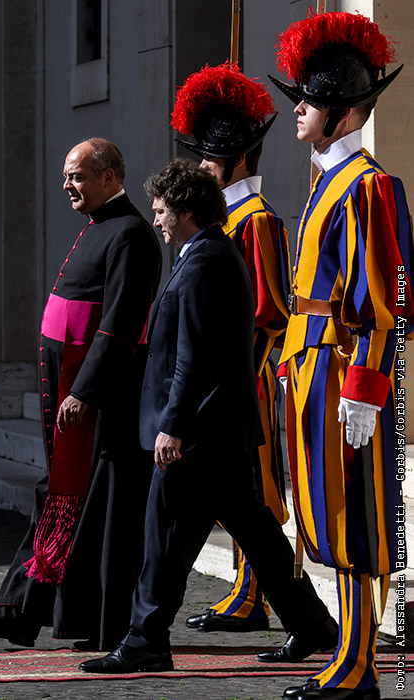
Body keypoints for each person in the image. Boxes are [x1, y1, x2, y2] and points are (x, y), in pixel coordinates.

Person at [79, 158, 337, 675]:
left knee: (163, 536)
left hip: (198, 432)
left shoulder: (204, 261)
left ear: (186, 211)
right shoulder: (209, 252)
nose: (156, 220)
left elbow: (193, 357)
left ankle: (146, 640)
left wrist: (172, 426)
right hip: (219, 429)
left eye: (161, 211)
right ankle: (312, 624)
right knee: (257, 533)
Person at [0, 138, 161, 651]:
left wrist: (85, 390)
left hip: (97, 399)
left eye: (78, 176)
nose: (68, 185)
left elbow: (119, 323)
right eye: (67, 176)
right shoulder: (99, 225)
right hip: (71, 387)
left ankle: (34, 614)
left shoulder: (131, 233)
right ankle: (20, 613)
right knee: (61, 498)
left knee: (76, 503)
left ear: (109, 177)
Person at [268, 11, 411, 700]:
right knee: (329, 515)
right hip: (312, 366)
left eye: (311, 99)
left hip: (344, 373)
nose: (298, 108)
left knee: (357, 516)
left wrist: (365, 388)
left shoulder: (368, 185)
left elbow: (385, 303)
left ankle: (358, 668)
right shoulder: (327, 179)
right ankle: (351, 661)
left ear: (344, 113)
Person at [169, 62, 294, 635]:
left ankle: (256, 596)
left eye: (211, 157)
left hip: (249, 376)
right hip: (230, 375)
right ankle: (248, 591)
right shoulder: (229, 217)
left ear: (238, 159)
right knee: (236, 490)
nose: (201, 166)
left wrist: (240, 376)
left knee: (254, 489)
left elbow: (269, 314)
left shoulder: (256, 220)